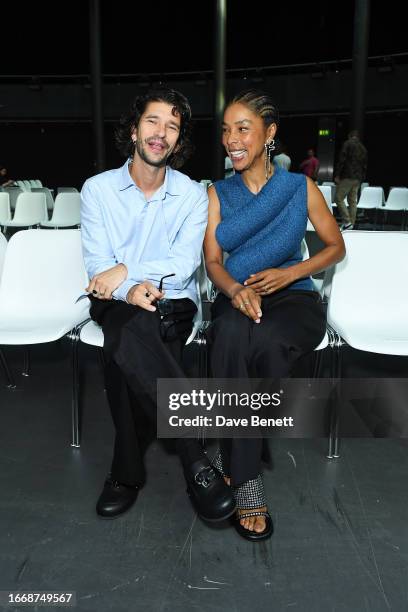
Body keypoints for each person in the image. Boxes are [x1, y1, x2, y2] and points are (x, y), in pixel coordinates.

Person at [80, 88, 235, 523]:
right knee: (129, 328)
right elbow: (97, 264)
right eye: (152, 121)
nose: (160, 133)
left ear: (178, 140)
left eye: (172, 126)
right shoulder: (98, 190)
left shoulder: (191, 195)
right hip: (114, 300)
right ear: (134, 130)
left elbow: (183, 264)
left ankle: (124, 474)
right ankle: (195, 459)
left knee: (123, 347)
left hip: (173, 297)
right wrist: (126, 287)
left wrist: (126, 269)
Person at [204, 89, 345, 541]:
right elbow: (212, 260)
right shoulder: (218, 192)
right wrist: (235, 291)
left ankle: (235, 461)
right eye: (226, 131)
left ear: (270, 134)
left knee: (265, 345)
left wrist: (291, 275)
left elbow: (335, 247)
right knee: (227, 336)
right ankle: (248, 480)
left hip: (294, 295)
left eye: (242, 128)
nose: (232, 140)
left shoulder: (297, 188)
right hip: (237, 293)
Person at [334, 130, 368, 230]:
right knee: (352, 201)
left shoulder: (347, 144)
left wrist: (337, 174)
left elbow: (342, 159)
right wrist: (362, 177)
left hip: (347, 175)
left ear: (350, 136)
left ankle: (347, 221)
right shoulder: (363, 148)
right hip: (358, 178)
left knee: (338, 198)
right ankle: (351, 224)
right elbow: (365, 165)